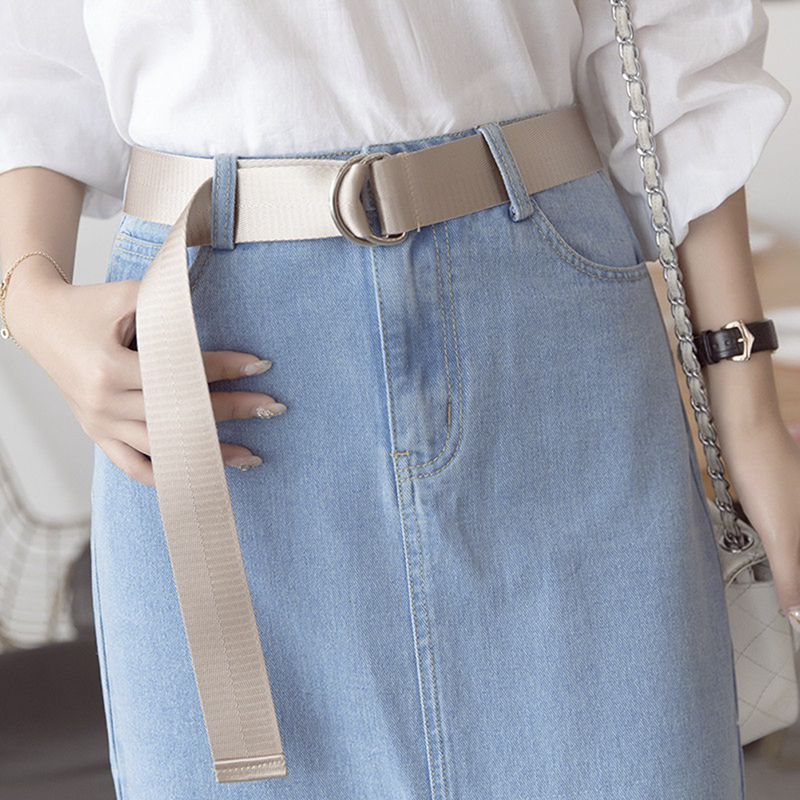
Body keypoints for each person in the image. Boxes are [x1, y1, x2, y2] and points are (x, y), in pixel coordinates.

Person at [1, 0, 798, 797]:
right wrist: (28, 300)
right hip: (213, 358)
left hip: (546, 327)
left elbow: (668, 33)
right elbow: (30, 63)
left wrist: (750, 412)